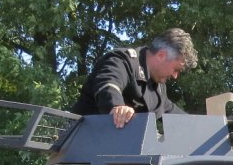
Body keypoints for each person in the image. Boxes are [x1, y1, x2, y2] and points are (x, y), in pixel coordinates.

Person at [70, 28, 199, 127]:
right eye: (176, 69)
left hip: (118, 149)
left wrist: (200, 127)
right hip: (82, 143)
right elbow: (108, 85)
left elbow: (174, 114)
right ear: (161, 55)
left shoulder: (158, 88)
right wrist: (117, 107)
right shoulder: (123, 61)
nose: (175, 76)